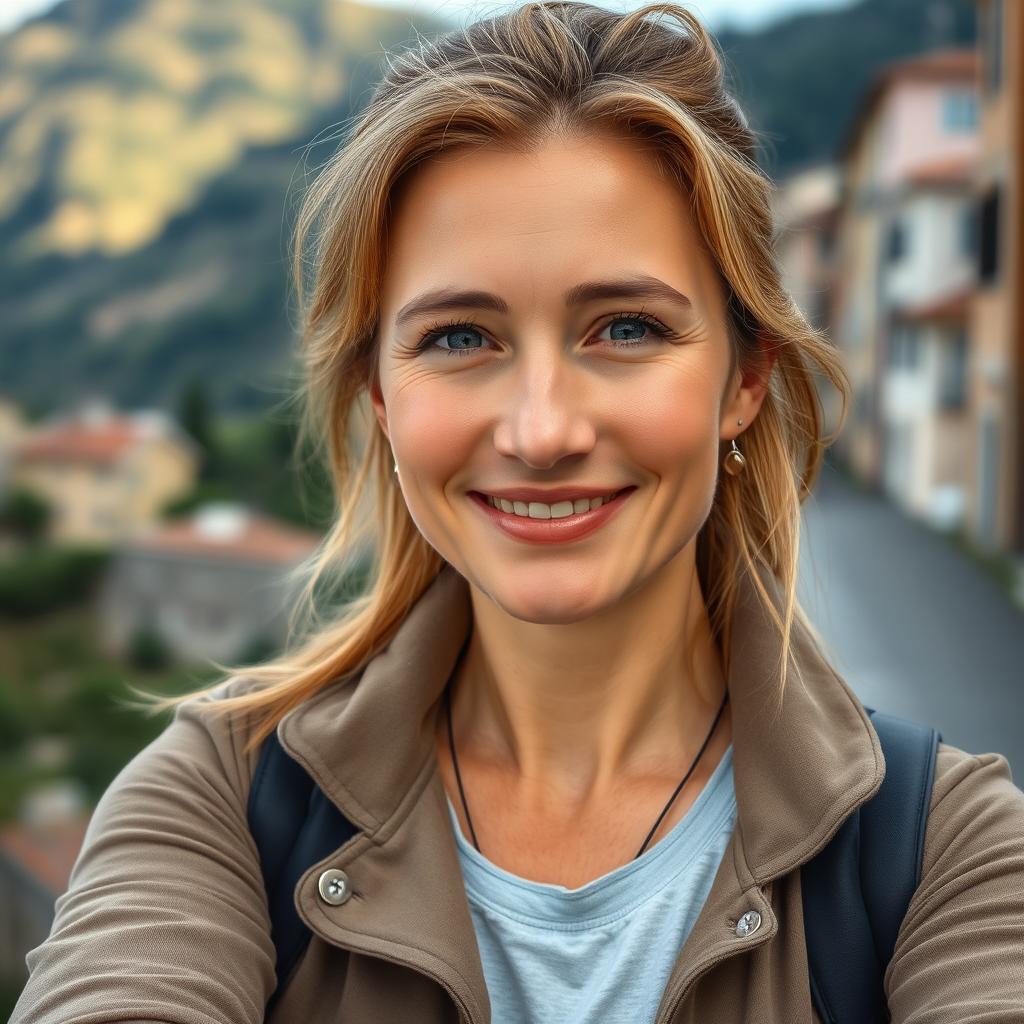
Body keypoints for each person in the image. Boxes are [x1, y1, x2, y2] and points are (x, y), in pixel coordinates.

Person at [11, 3, 1024, 1022]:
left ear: (743, 379)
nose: (541, 431)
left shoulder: (942, 847)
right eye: (459, 337)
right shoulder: (218, 801)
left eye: (624, 327)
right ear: (378, 395)